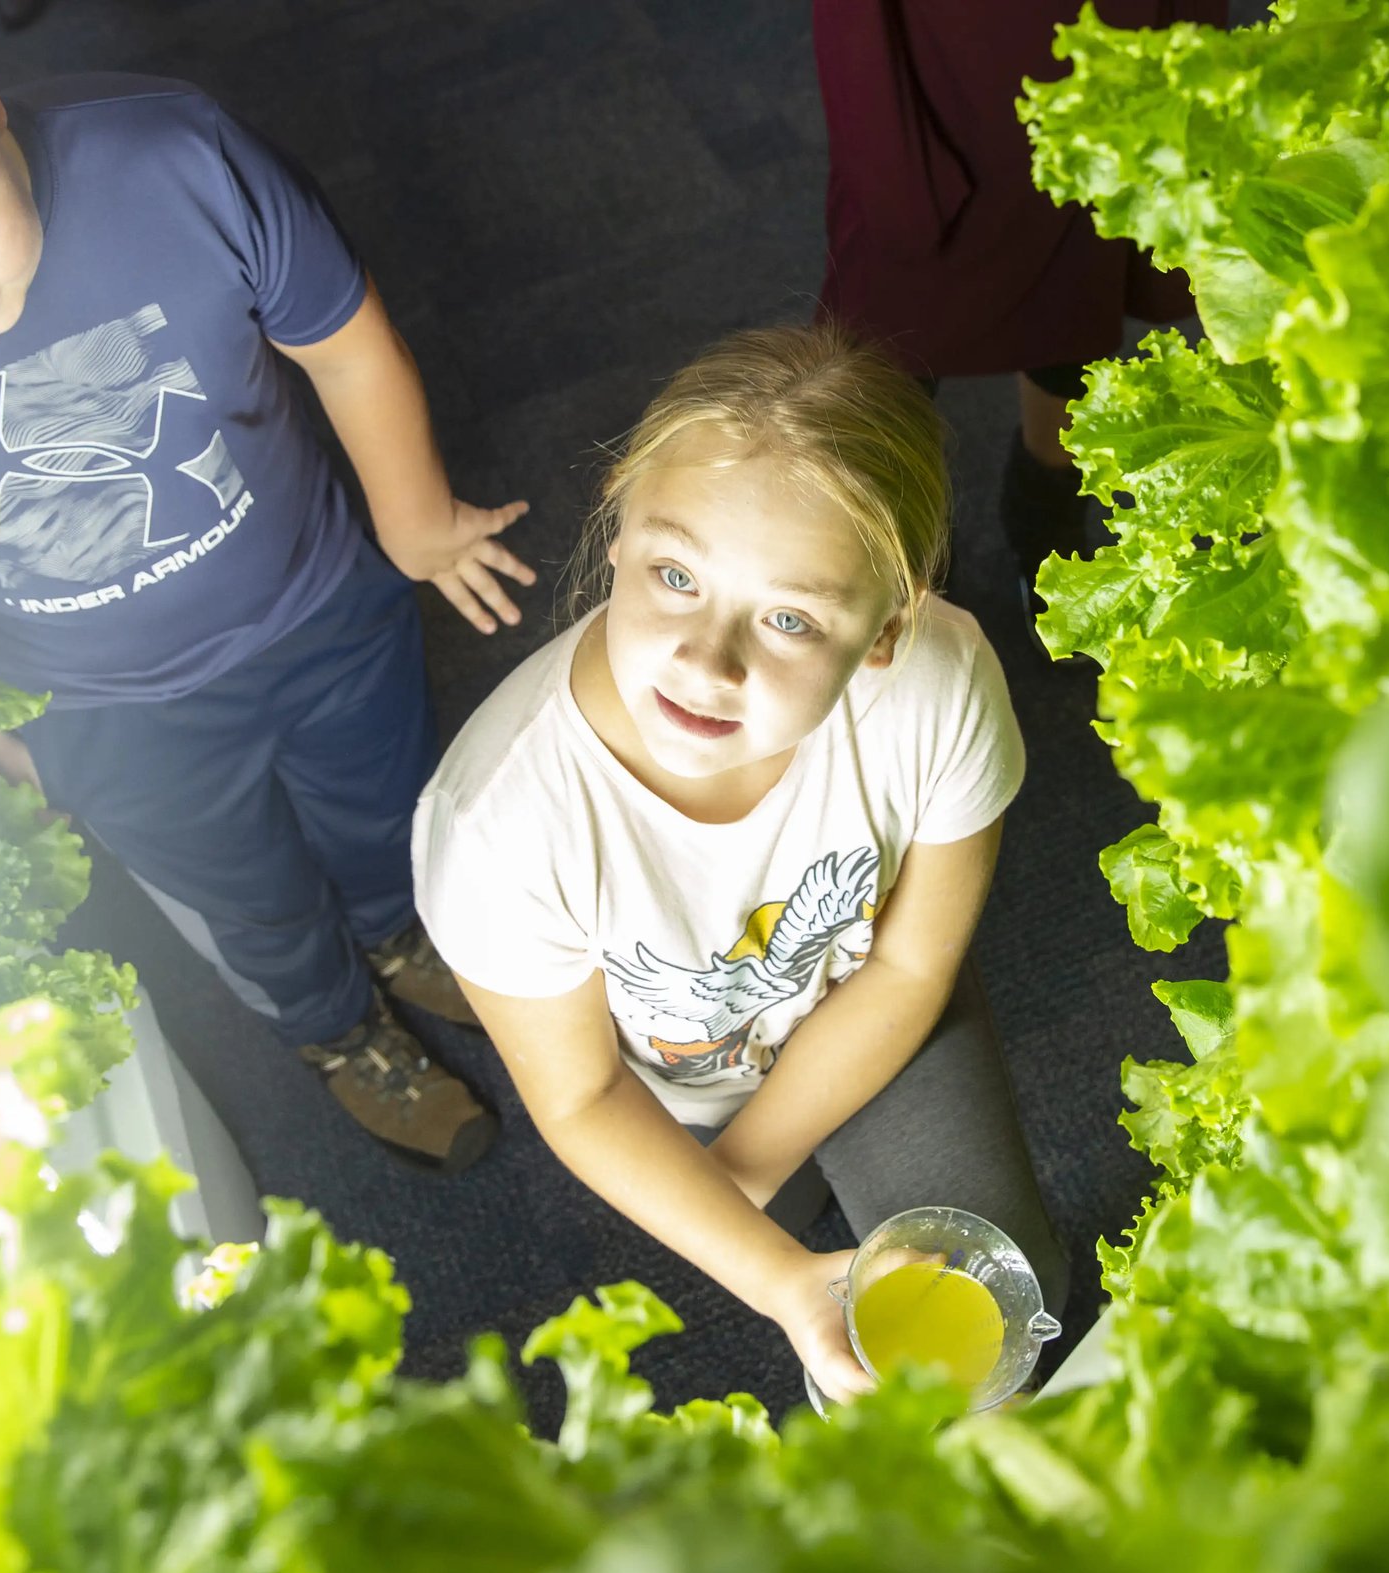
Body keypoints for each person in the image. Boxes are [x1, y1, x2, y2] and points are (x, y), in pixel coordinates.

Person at [0, 0, 534, 1171]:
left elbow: (341, 343)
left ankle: (398, 934)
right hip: (88, 705)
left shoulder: (173, 152)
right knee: (247, 897)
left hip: (317, 598)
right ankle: (335, 1027)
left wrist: (419, 523)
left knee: (384, 795)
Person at [412, 325, 1069, 1402]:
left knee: (988, 1314)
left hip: (880, 1011)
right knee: (800, 1251)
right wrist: (773, 1265)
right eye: (677, 573)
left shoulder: (943, 683)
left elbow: (908, 972)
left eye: (790, 618)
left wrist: (740, 1183)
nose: (706, 662)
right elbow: (580, 1097)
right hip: (666, 1088)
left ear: (891, 624)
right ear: (619, 523)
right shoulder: (495, 825)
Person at [813, 0, 1220, 613]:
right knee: (887, 366)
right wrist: (888, 168)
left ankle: (1044, 522)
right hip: (933, 105)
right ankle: (894, 552)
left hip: (1096, 101)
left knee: (1069, 332)